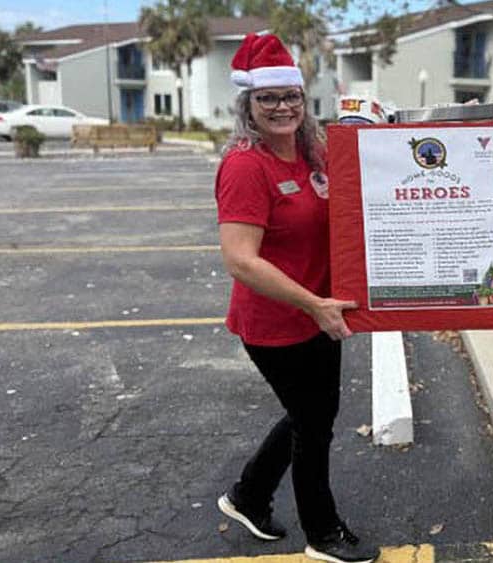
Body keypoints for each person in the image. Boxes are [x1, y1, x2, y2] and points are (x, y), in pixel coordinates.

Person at [213, 33, 378, 563]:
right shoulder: (245, 165)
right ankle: (323, 534)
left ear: (304, 101)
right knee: (313, 423)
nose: (282, 106)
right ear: (248, 105)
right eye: (269, 98)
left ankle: (248, 496)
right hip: (277, 322)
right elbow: (240, 258)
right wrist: (312, 302)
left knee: (311, 414)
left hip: (319, 313)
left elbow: (373, 168)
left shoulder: (315, 150)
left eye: (291, 96)